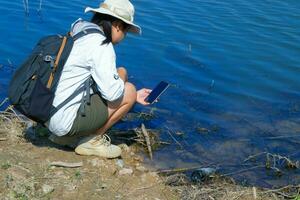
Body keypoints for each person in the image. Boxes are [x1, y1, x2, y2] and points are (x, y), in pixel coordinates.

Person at [46, 0, 151, 158]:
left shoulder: (79, 29)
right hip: (63, 122)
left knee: (119, 75)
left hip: (47, 113)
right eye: (126, 30)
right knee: (128, 90)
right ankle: (91, 141)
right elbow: (113, 95)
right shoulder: (101, 45)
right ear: (117, 25)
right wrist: (130, 89)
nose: (125, 36)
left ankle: (62, 136)